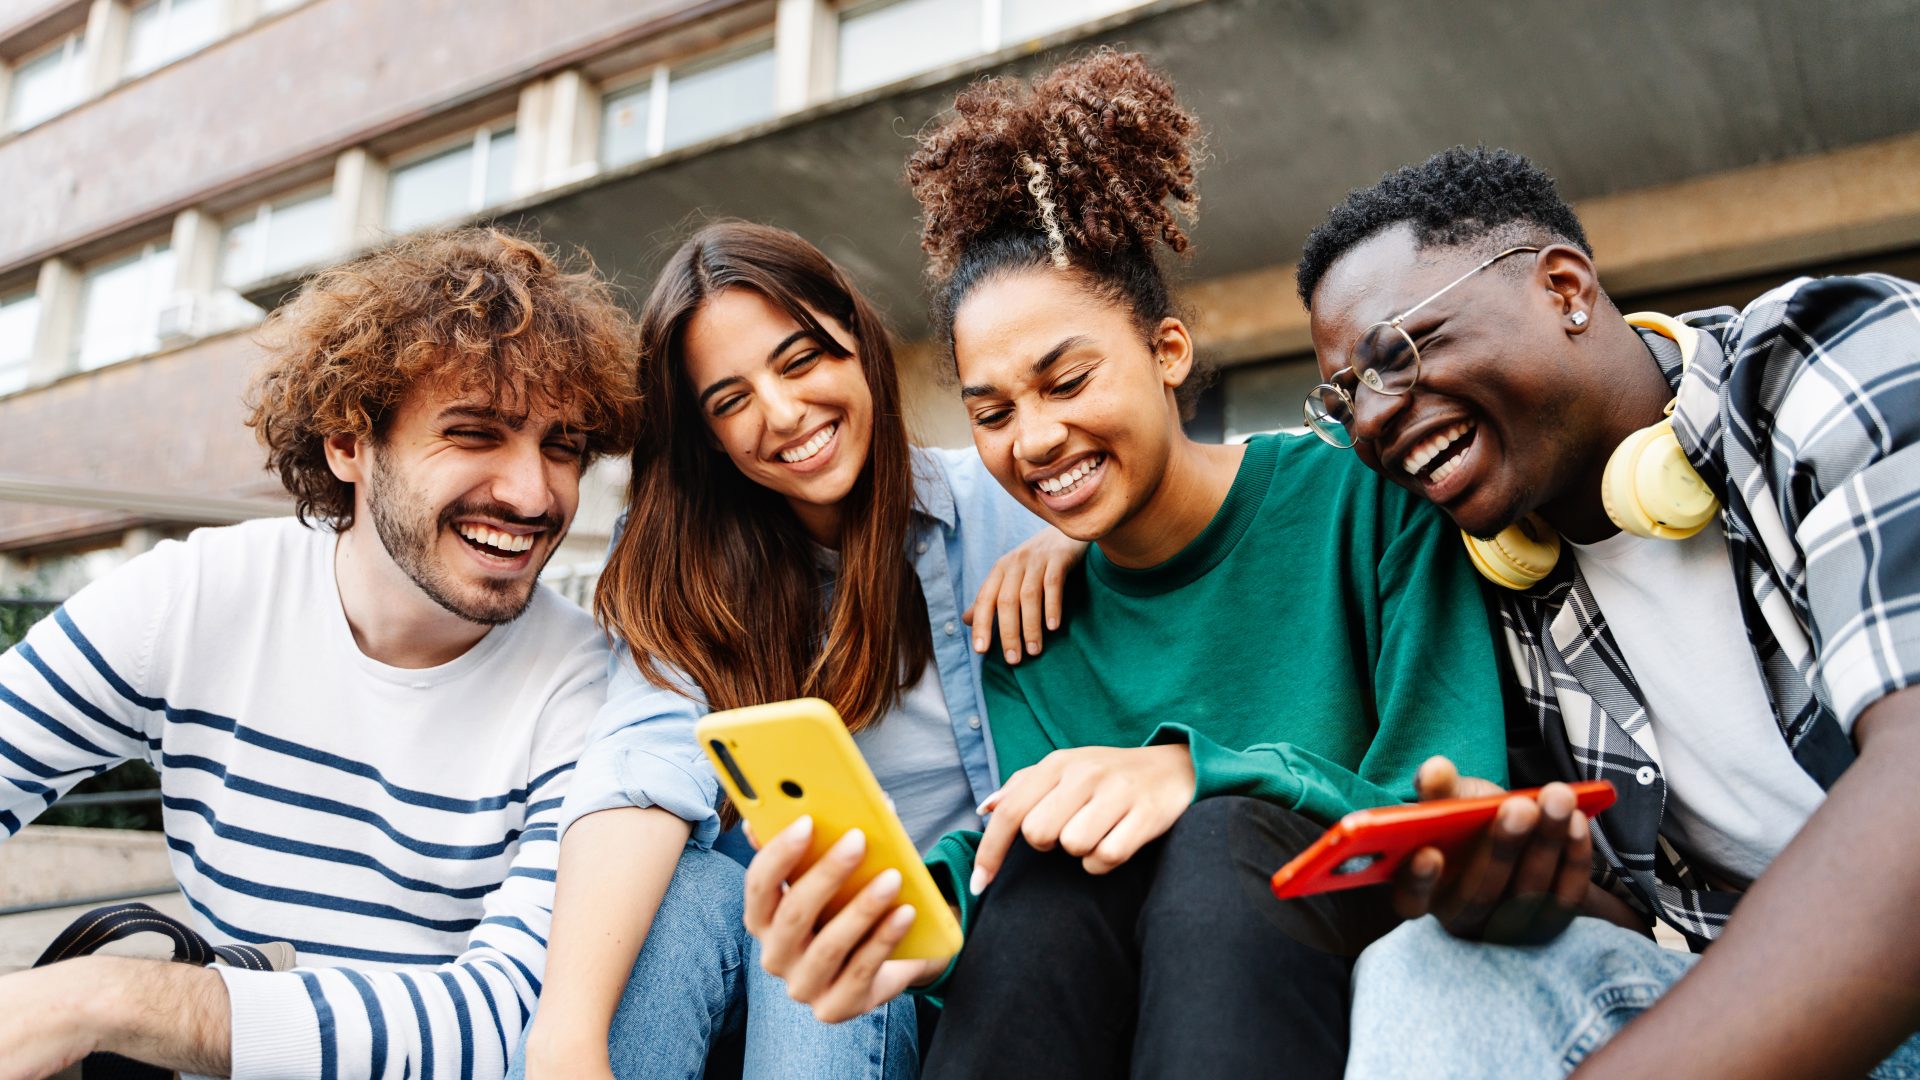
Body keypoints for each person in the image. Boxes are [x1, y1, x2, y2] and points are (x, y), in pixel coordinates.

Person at [740, 52, 1511, 1079]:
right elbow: (1031, 869)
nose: (1037, 438)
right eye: (992, 412)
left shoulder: (1362, 497)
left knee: (1217, 840)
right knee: (1043, 888)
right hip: (1142, 1000)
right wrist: (891, 910)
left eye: (1067, 380)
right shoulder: (1030, 624)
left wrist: (1197, 772)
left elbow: (1456, 796)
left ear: (1170, 354)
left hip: (1360, 964)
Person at [1294, 146, 1920, 1079]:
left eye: (1396, 353)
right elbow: (1640, 913)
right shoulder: (1506, 571)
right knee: (1434, 968)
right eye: (1346, 398)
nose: (1374, 419)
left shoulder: (1828, 357)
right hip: (1797, 1009)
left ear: (1563, 289)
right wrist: (1522, 897)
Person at [0, 229, 637, 1080]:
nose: (532, 493)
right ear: (349, 444)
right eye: (475, 432)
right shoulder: (198, 596)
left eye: (562, 447)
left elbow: (513, 1021)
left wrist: (103, 1001)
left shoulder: (590, 690)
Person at [516, 222, 1079, 1080]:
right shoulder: (686, 564)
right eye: (730, 400)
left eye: (800, 359)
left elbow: (1228, 479)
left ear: (857, 342)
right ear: (706, 436)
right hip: (805, 980)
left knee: (829, 908)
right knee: (709, 886)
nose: (781, 415)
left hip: (975, 957)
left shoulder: (1012, 500)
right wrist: (566, 1037)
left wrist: (1097, 534)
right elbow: (642, 762)